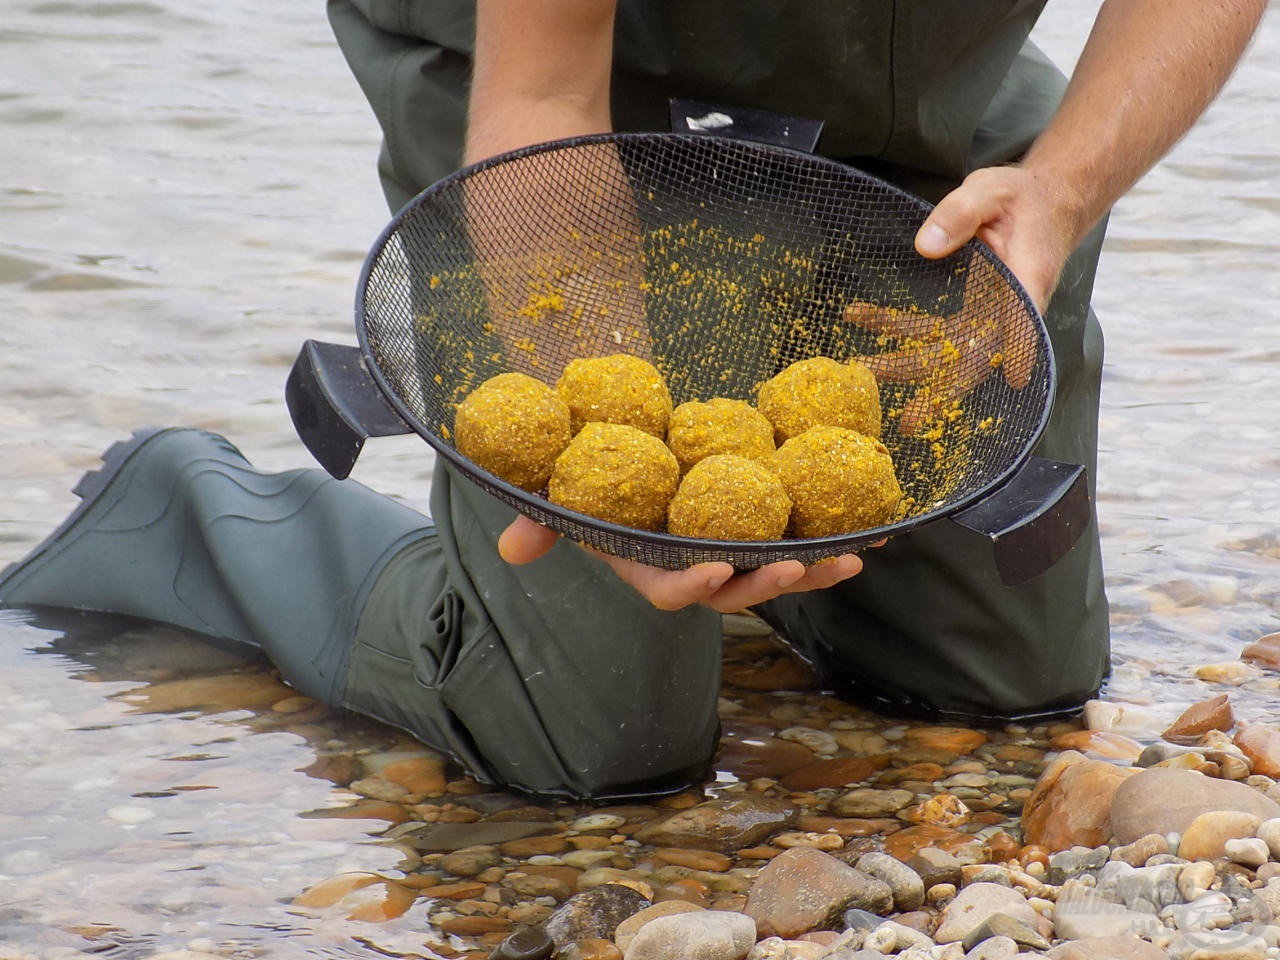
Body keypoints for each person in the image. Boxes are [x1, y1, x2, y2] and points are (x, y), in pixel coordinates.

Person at [0, 1, 1265, 799]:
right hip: (548, 78)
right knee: (594, 741)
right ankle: (185, 507)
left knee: (1005, 686)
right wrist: (613, 474)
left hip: (911, 94)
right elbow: (543, 97)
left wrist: (1059, 186)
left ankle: (795, 592)